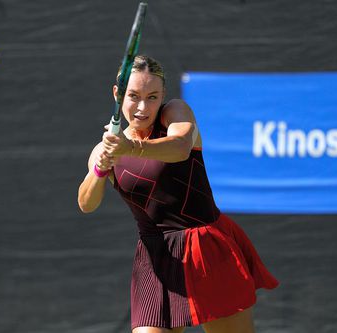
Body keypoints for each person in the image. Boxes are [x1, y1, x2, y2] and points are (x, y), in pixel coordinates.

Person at [77, 55, 278, 333]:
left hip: (206, 248)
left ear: (163, 96)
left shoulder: (175, 113)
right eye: (134, 96)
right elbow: (86, 203)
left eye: (152, 96)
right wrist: (100, 169)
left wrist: (130, 148)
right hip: (155, 259)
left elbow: (181, 147)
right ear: (117, 93)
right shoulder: (105, 150)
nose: (143, 107)